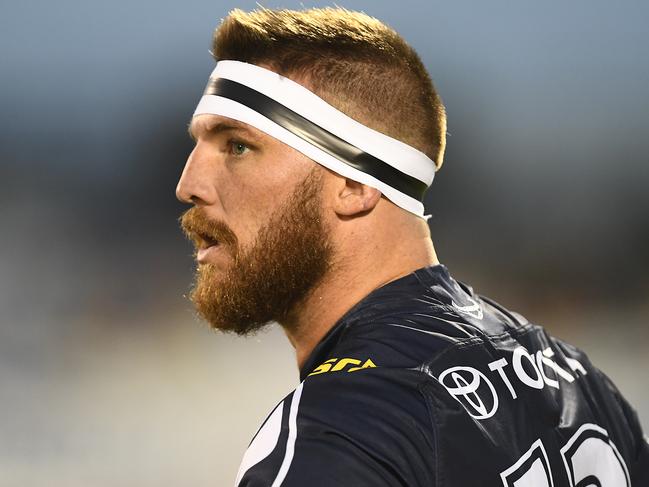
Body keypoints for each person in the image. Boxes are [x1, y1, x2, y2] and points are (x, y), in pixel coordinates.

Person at [176, 7, 649, 486]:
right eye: (196, 146)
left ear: (355, 184)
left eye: (237, 147)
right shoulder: (580, 381)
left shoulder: (338, 433)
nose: (188, 184)